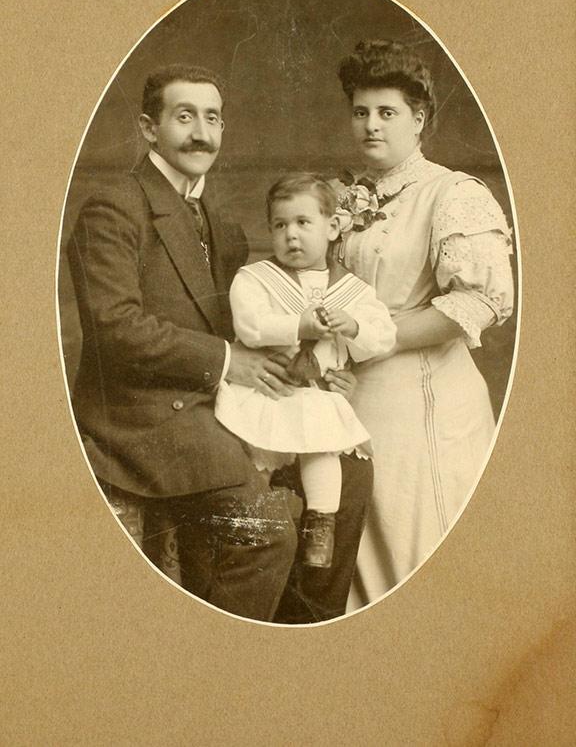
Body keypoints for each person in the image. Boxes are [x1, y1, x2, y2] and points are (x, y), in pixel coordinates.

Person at [66, 63, 373, 623]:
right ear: (147, 127)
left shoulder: (220, 224)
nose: (201, 133)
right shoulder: (113, 208)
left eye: (213, 118)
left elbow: (251, 324)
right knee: (266, 528)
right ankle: (222, 662)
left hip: (219, 404)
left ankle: (303, 635)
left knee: (350, 477)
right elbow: (116, 330)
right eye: (184, 117)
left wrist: (312, 372)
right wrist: (230, 362)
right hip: (149, 422)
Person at [330, 40, 514, 607]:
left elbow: (478, 303)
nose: (371, 125)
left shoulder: (452, 193)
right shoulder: (348, 196)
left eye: (387, 113)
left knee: (417, 557)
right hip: (357, 402)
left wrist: (367, 337)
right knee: (360, 555)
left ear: (419, 120)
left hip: (426, 405)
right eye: (361, 111)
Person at [215, 173, 396, 569]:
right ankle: (249, 527)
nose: (291, 236)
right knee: (253, 457)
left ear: (332, 228)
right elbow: (250, 324)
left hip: (313, 394)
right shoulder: (256, 279)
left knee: (322, 449)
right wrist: (299, 326)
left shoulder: (354, 292)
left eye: (303, 223)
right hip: (268, 390)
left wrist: (353, 326)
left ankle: (320, 524)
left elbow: (383, 336)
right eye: (280, 225)